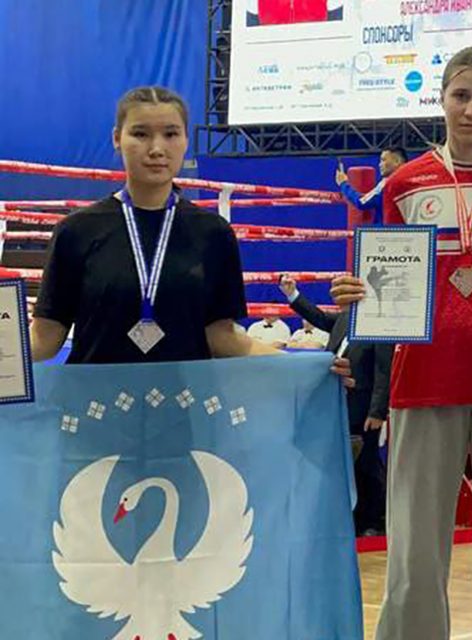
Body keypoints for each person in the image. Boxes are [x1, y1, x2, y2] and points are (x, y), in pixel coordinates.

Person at [330, 46, 472, 640]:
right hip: (423, 379)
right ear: (441, 99)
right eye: (461, 95)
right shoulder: (406, 183)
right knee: (413, 551)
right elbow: (389, 278)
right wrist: (360, 291)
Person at [30, 86, 282, 364]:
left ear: (185, 140)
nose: (157, 149)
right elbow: (45, 338)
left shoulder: (214, 233)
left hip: (185, 391)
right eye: (140, 134)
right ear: (117, 138)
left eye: (171, 134)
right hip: (96, 392)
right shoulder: (76, 230)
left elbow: (222, 337)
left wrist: (307, 367)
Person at [279, 274, 391, 536]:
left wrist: (377, 411)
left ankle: (374, 520)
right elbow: (318, 318)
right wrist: (292, 294)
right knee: (346, 463)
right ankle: (354, 517)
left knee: (367, 463)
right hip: (340, 402)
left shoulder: (380, 325)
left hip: (364, 406)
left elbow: (383, 370)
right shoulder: (344, 319)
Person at [335, 147, 407, 225]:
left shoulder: (387, 183)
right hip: (409, 230)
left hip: (387, 231)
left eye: (383, 160)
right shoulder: (411, 181)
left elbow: (361, 202)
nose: (380, 165)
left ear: (397, 161)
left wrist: (343, 184)